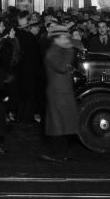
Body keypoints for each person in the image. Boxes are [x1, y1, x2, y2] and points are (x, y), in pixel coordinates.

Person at [40, 25, 79, 163]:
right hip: (58, 93)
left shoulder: (58, 51)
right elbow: (63, 67)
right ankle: (58, 154)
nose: (67, 40)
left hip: (62, 91)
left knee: (63, 124)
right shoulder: (53, 52)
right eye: (64, 37)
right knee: (58, 125)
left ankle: (60, 153)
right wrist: (70, 51)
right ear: (56, 39)